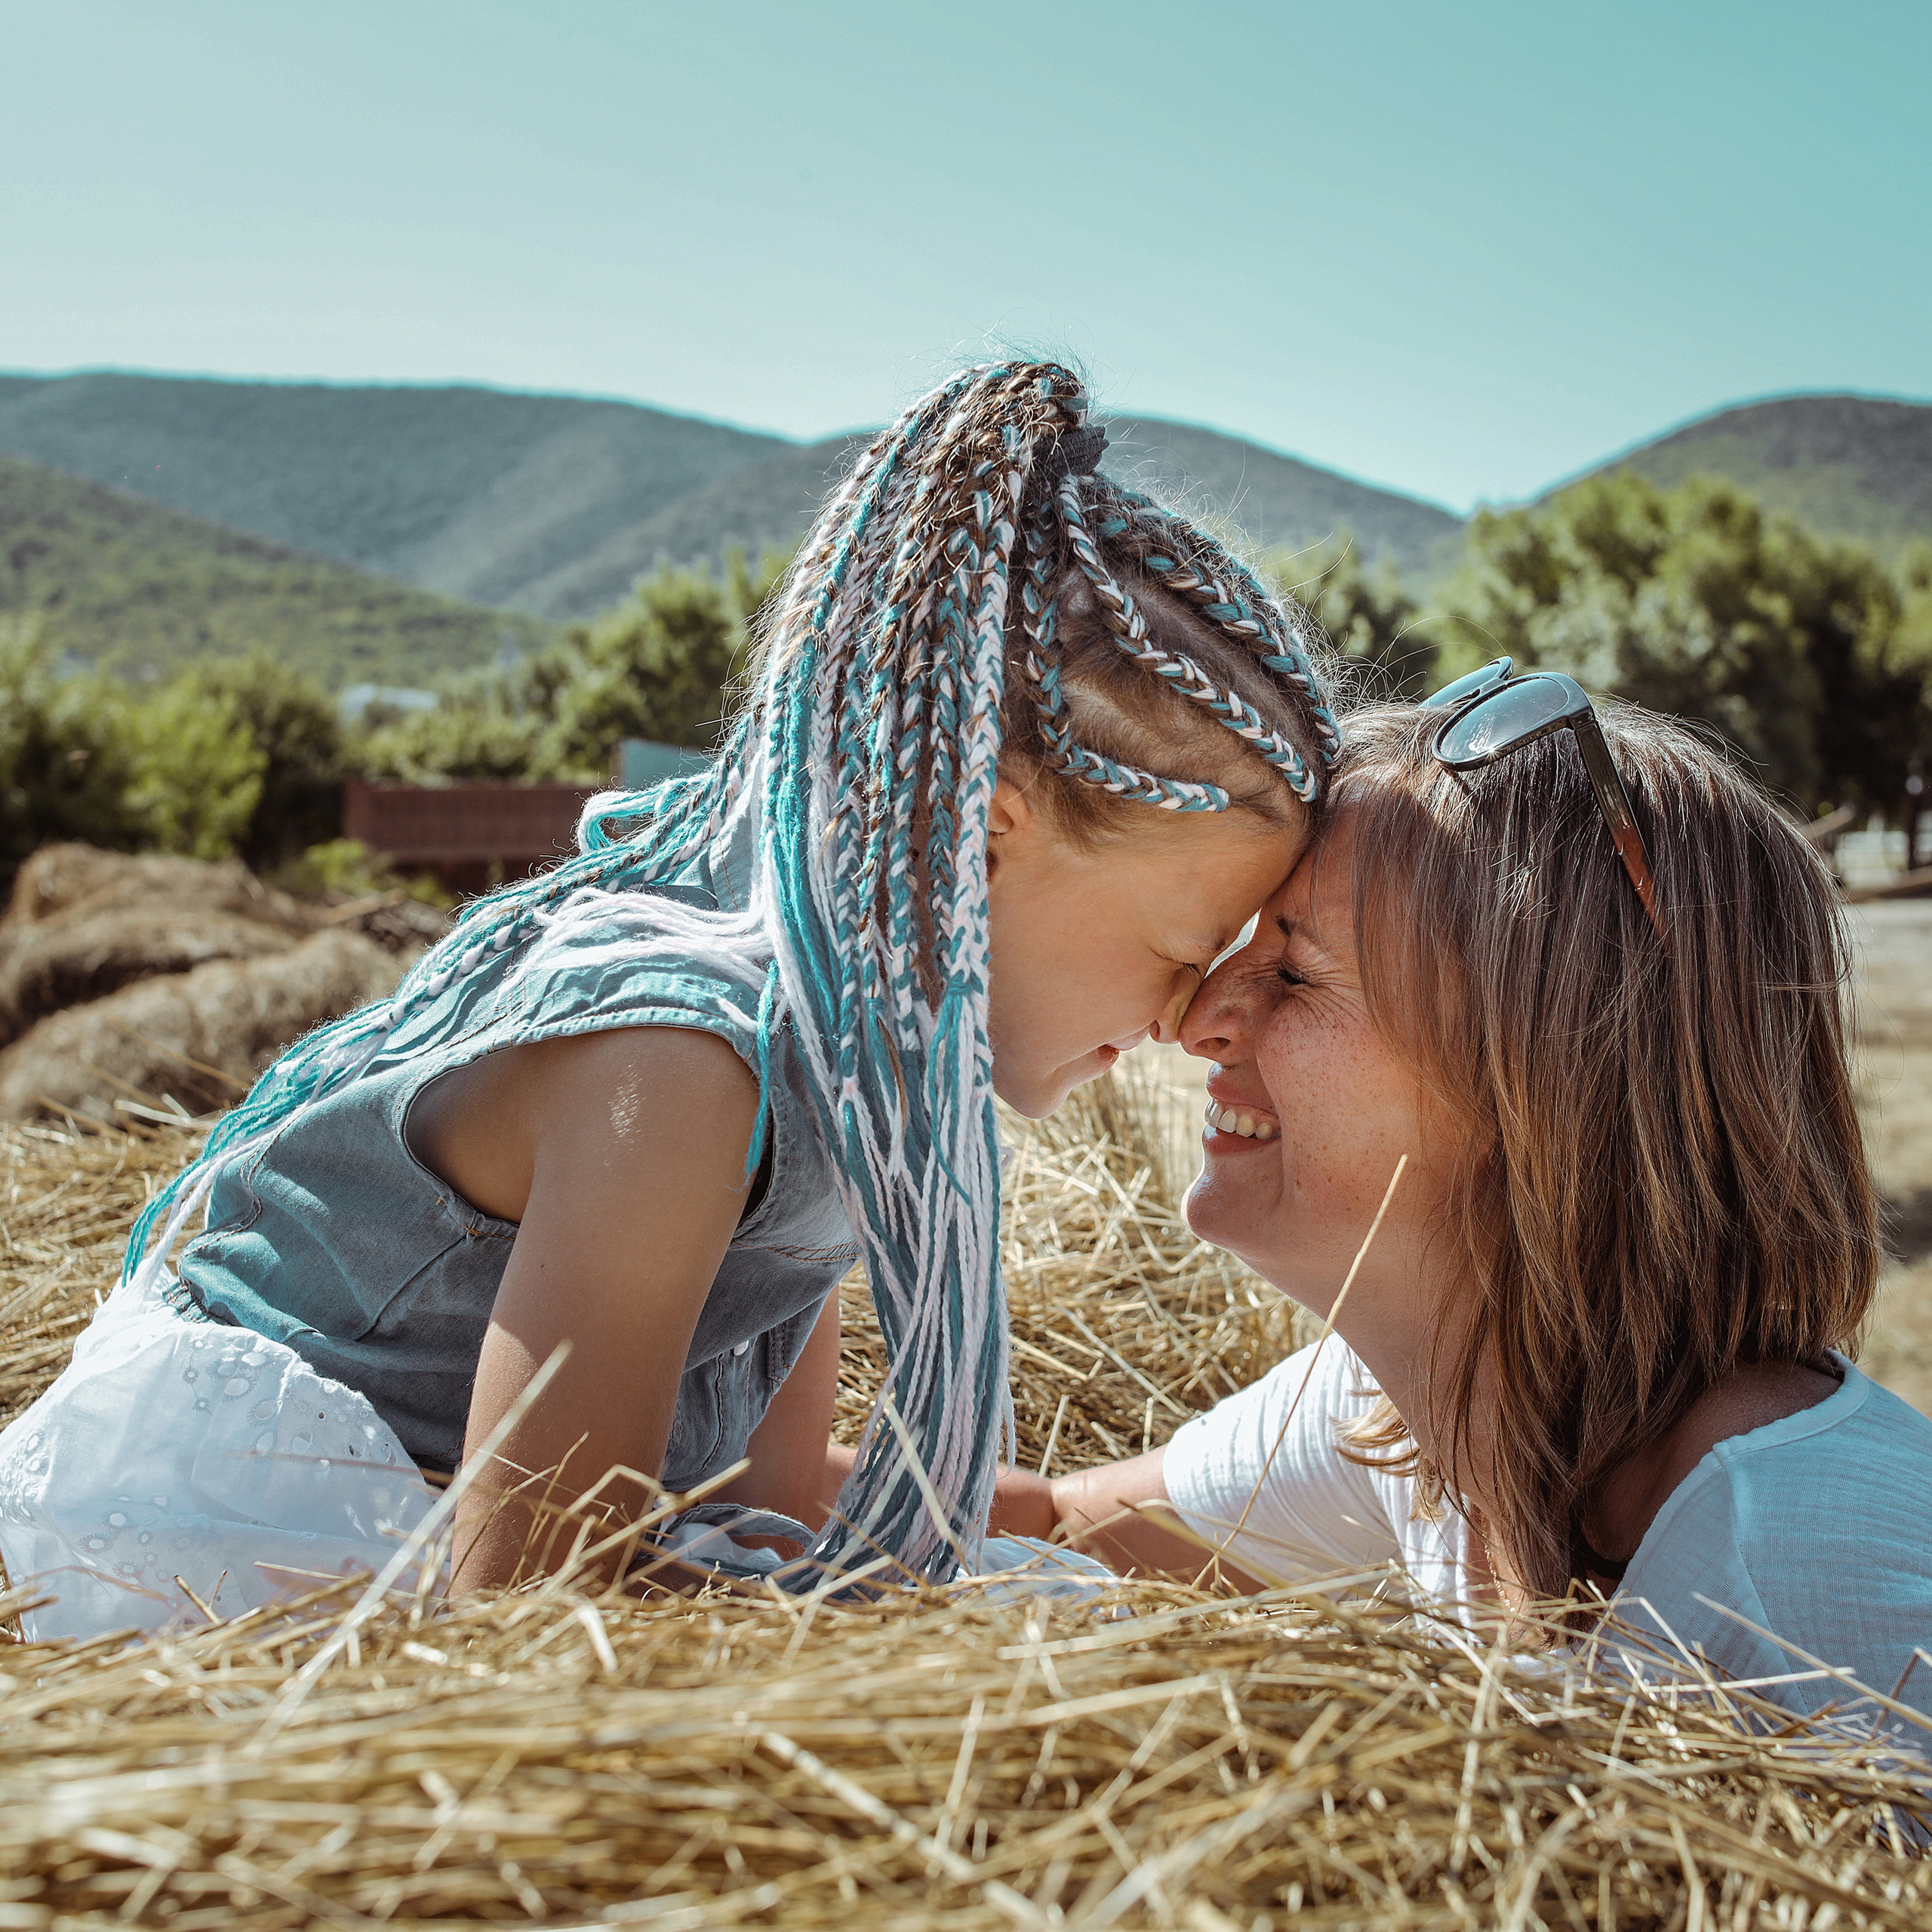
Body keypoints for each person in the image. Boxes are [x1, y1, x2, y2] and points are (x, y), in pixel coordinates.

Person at [0, 361, 1342, 1641]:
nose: (1184, 1017)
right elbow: (534, 1610)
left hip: (457, 1535)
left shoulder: (856, 1080)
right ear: (976, 840)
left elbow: (744, 1505)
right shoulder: (685, 1068)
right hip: (236, 1522)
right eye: (1182, 946)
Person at [995, 674, 1932, 1744]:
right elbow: (1056, 1526)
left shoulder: (1805, 1587)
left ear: (1547, 1087)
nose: (1198, 1017)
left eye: (1295, 974)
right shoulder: (1419, 1407)